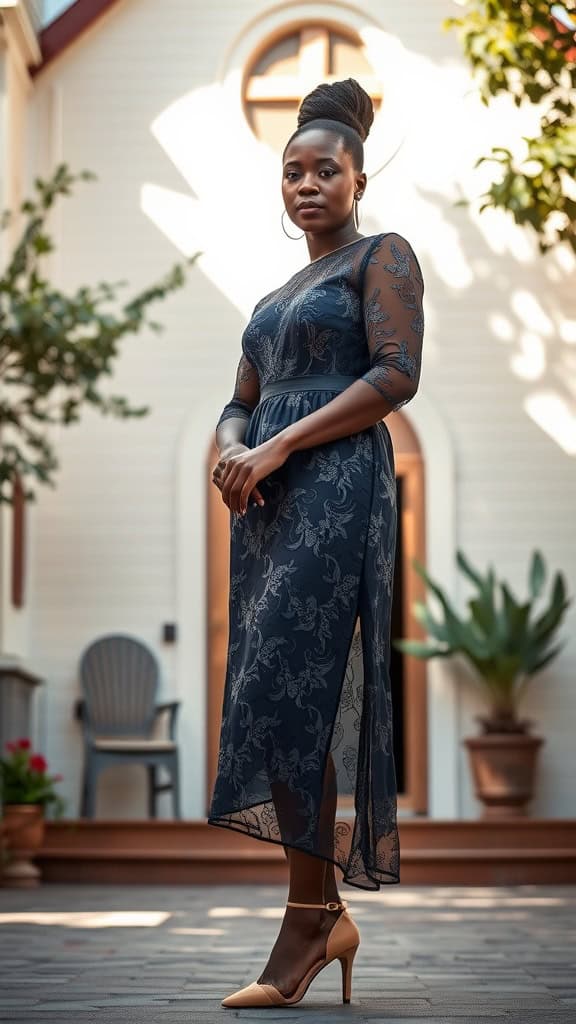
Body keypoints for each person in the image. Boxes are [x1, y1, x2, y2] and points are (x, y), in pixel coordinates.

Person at [208, 76, 425, 1008]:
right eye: (292, 171)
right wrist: (229, 448)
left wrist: (281, 443)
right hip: (264, 507)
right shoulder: (271, 295)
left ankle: (307, 923)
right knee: (272, 691)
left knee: (303, 691)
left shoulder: (383, 256)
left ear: (358, 179)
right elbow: (239, 398)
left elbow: (397, 374)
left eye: (324, 170)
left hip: (336, 488)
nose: (305, 184)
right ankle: (320, 911)